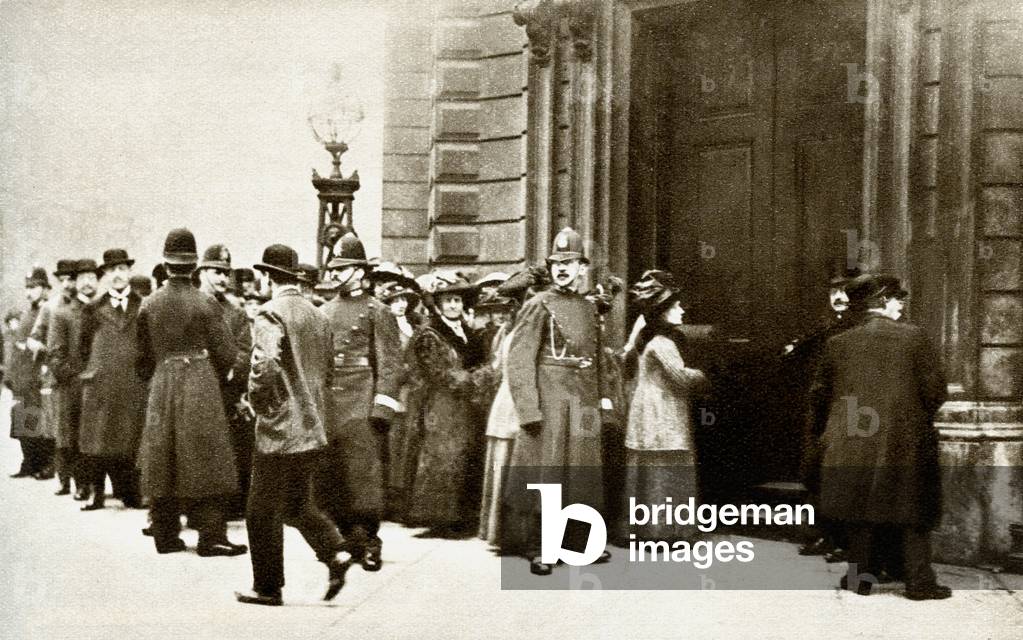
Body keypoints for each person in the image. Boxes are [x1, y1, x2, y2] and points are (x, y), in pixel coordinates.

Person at [808, 274, 951, 600]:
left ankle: (859, 579)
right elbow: (935, 391)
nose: (902, 303)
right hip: (904, 438)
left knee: (860, 508)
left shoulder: (837, 344)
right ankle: (919, 582)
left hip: (854, 436)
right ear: (883, 301)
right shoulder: (915, 338)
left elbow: (819, 395)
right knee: (914, 506)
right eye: (898, 298)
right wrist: (912, 418)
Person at [235, 243, 352, 607]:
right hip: (313, 424)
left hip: (280, 428)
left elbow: (265, 364)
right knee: (297, 503)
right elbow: (329, 369)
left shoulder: (270, 313)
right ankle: (336, 552)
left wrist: (258, 402)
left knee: (260, 509)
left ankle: (268, 587)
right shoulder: (317, 314)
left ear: (268, 276)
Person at [504, 227, 616, 575]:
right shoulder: (539, 305)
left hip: (583, 403)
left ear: (583, 267)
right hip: (549, 404)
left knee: (583, 473)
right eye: (557, 263)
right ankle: (541, 547)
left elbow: (598, 361)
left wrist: (605, 403)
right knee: (547, 474)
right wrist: (529, 409)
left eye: (570, 262)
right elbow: (519, 360)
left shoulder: (587, 307)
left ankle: (579, 544)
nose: (563, 269)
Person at [134, 230, 247, 556]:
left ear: (166, 264)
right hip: (199, 381)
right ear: (194, 265)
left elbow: (141, 359)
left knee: (161, 454)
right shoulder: (207, 303)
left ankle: (165, 535)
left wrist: (158, 375)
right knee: (206, 455)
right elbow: (227, 354)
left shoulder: (149, 304)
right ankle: (211, 536)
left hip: (163, 380)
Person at [318, 231, 402, 571]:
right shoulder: (323, 310)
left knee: (363, 475)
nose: (337, 274)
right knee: (334, 473)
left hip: (362, 399)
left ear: (360, 270)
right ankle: (347, 536)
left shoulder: (377, 311)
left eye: (344, 267)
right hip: (331, 402)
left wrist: (382, 407)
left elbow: (391, 363)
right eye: (335, 268)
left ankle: (369, 540)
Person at [403, 272, 491, 535]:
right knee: (444, 455)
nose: (453, 305)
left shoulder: (468, 332)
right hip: (440, 405)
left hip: (466, 405)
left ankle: (462, 516)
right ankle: (440, 518)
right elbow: (440, 372)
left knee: (466, 455)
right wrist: (481, 377)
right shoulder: (429, 334)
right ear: (439, 305)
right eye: (448, 301)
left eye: (457, 300)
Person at [783, 266, 861, 561]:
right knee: (815, 474)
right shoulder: (825, 327)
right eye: (833, 292)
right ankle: (822, 536)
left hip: (845, 412)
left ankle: (845, 541)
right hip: (820, 412)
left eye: (844, 292)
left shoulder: (855, 329)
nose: (838, 297)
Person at [624, 270, 708, 541]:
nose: (682, 310)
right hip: (662, 412)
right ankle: (663, 531)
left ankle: (647, 528)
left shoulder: (648, 339)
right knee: (666, 467)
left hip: (649, 410)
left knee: (652, 470)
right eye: (676, 306)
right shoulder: (662, 343)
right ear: (662, 310)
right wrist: (706, 376)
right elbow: (681, 378)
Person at [477, 267, 544, 546]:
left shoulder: (509, 331)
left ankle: (502, 532)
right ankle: (513, 534)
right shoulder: (517, 331)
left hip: (506, 403)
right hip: (515, 404)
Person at [77, 249, 147, 510]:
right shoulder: (93, 309)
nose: (117, 275)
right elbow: (83, 348)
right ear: (104, 275)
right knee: (98, 438)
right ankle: (96, 493)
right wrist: (93, 373)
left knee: (131, 436)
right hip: (102, 384)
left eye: (122, 269)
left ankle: (131, 492)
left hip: (132, 383)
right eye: (111, 270)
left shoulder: (143, 305)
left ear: (129, 272)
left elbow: (148, 345)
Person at [197, 243, 254, 519]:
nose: (222, 278)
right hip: (195, 389)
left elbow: (246, 349)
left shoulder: (235, 312)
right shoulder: (192, 304)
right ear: (203, 271)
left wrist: (234, 370)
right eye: (216, 271)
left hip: (226, 391)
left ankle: (223, 509)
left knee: (226, 451)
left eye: (225, 272)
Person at [47, 259, 100, 499]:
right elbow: (55, 354)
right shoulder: (63, 314)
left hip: (100, 384)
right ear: (75, 283)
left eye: (92, 277)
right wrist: (75, 377)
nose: (88, 282)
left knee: (96, 437)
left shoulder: (103, 310)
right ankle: (79, 483)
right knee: (72, 437)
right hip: (72, 385)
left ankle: (98, 485)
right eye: (83, 278)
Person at [7, 267, 51, 479]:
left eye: (33, 287)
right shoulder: (27, 313)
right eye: (27, 287)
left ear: (45, 288)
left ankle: (47, 464)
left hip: (39, 377)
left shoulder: (49, 311)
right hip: (23, 379)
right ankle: (29, 462)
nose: (29, 292)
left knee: (42, 423)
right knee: (24, 421)